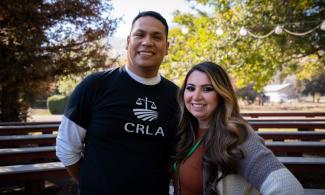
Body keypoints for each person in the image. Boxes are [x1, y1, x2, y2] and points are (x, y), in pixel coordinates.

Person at [56, 11, 179, 195]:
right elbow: (66, 147)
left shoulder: (177, 97)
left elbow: (175, 157)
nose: (147, 42)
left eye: (156, 36)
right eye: (140, 34)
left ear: (167, 47)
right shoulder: (95, 85)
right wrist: (92, 184)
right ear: (128, 41)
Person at [172, 61, 304, 195]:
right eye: (190, 88)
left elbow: (290, 189)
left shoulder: (237, 136)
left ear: (221, 94)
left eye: (207, 89)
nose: (196, 96)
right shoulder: (186, 131)